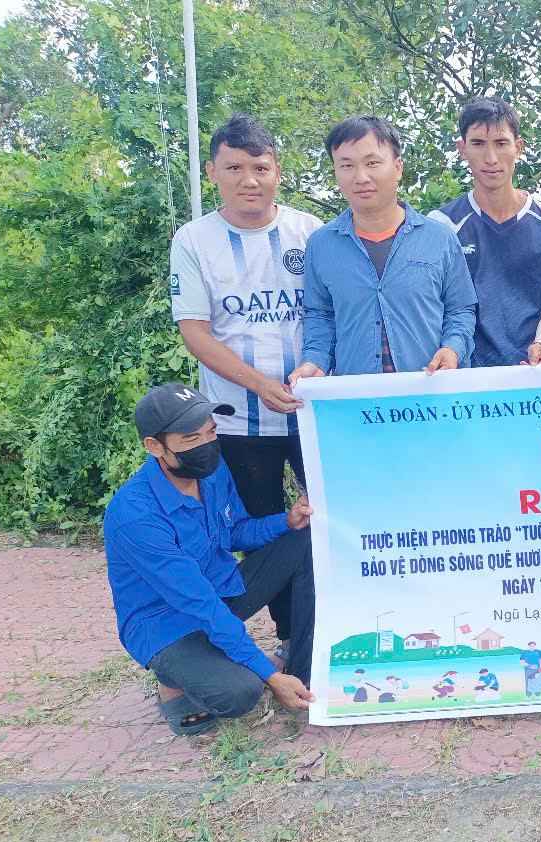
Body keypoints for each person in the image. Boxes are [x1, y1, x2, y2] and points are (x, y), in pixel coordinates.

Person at [170, 114, 323, 663]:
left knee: (332, 517)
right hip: (239, 421)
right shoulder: (194, 240)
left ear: (278, 171)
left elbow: (333, 316)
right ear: (214, 172)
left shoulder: (313, 233)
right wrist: (259, 384)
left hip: (314, 415)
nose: (249, 179)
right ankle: (288, 638)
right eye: (235, 167)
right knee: (268, 530)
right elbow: (196, 333)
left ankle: (334, 627)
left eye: (260, 167)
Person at [103, 384, 317, 736]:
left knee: (303, 539)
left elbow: (235, 532)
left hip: (219, 590)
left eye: (212, 432)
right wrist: (269, 677)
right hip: (166, 621)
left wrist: (286, 521)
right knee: (241, 692)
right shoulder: (135, 514)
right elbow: (195, 601)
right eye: (191, 439)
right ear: (155, 446)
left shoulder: (211, 473)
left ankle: (302, 664)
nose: (206, 445)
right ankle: (171, 679)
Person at [289, 115, 477, 385]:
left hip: (430, 394)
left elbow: (460, 310)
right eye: (346, 165)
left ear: (398, 167)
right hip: (356, 404)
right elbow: (320, 315)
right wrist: (315, 361)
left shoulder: (440, 238)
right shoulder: (321, 245)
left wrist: (453, 349)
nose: (360, 177)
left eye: (372, 163)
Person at [428, 96, 541, 367]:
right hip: (460, 377)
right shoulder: (440, 225)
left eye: (500, 143)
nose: (491, 158)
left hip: (529, 375)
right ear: (462, 149)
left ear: (518, 147)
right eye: (478, 144)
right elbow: (438, 310)